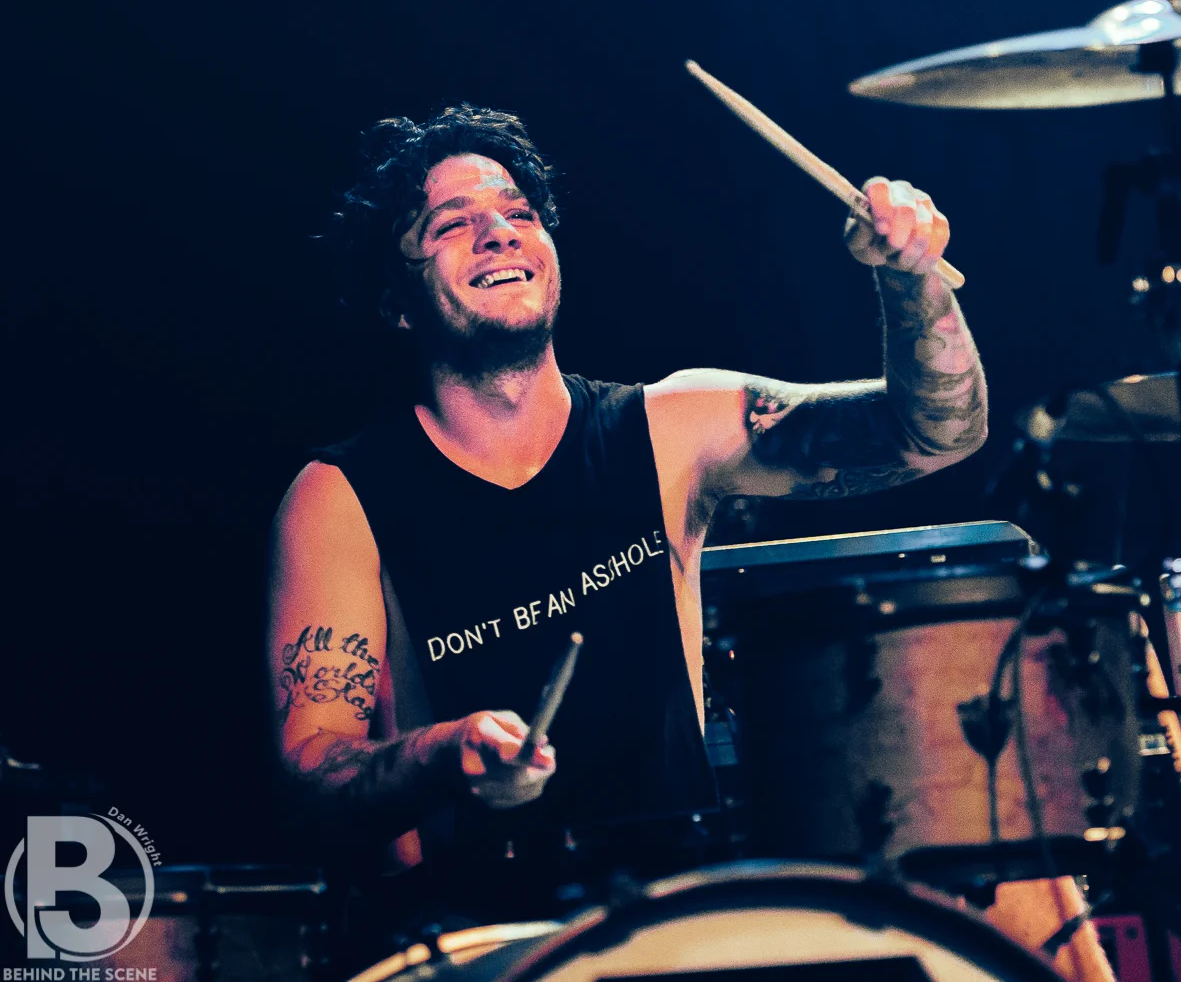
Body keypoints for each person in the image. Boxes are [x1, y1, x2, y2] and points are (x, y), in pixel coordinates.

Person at [266, 105, 1107, 982]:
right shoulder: (342, 496)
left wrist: (912, 279)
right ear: (395, 303)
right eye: (451, 224)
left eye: (518, 211)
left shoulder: (669, 429)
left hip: (680, 923)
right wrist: (447, 751)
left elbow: (933, 431)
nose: (498, 232)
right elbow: (316, 770)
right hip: (486, 944)